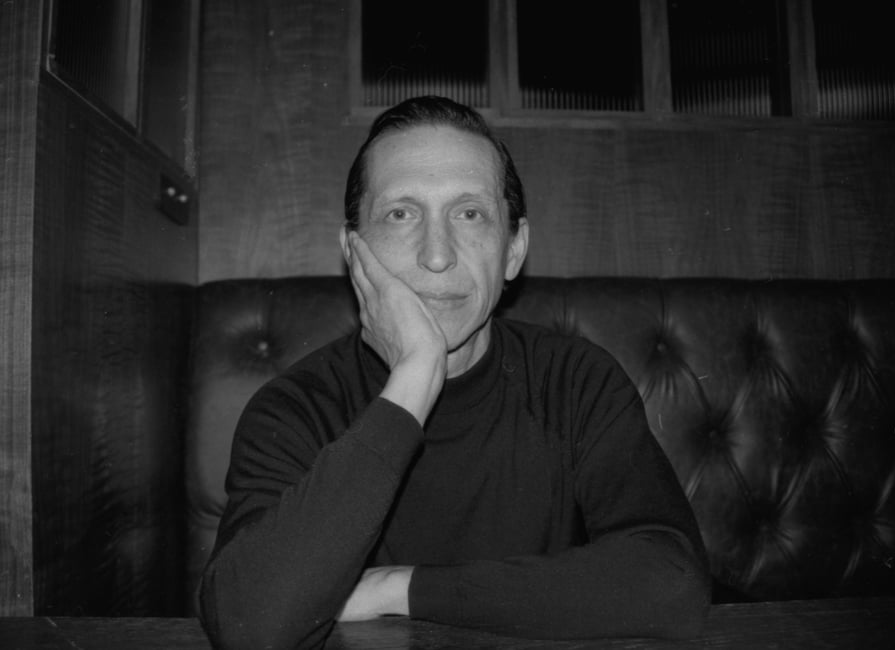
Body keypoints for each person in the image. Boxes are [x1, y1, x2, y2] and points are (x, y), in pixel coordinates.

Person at [199, 96, 711, 649]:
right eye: (401, 214)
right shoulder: (296, 406)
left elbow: (671, 581)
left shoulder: (575, 379)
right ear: (354, 251)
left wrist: (400, 589)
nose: (437, 255)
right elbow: (249, 626)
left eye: (469, 214)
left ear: (513, 249)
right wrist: (415, 377)